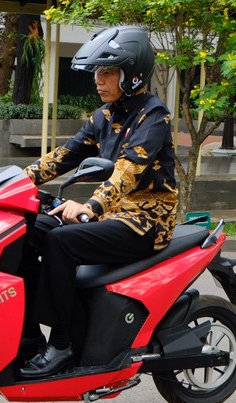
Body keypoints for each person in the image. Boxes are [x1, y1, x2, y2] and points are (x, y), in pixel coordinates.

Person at [18, 26, 178, 378]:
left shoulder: (153, 117)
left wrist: (90, 207)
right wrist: (15, 180)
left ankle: (61, 344)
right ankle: (28, 334)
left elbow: (128, 171)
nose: (97, 81)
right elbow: (66, 154)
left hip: (145, 221)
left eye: (106, 72)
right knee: (27, 230)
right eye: (96, 73)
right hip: (114, 215)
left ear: (132, 75)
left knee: (61, 241)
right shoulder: (105, 115)